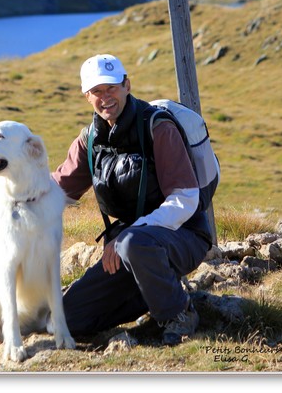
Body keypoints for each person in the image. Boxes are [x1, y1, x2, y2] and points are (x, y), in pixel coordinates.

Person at [51, 53, 213, 345]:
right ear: (86, 96)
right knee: (66, 319)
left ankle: (179, 313)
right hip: (129, 247)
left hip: (184, 235)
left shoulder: (158, 128)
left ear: (127, 85)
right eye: (97, 91)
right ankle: (152, 296)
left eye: (111, 88)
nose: (105, 97)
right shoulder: (90, 140)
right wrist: (8, 209)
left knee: (134, 243)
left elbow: (186, 200)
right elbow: (54, 190)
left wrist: (132, 232)